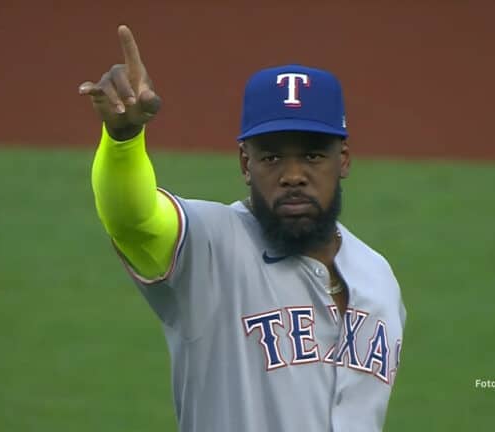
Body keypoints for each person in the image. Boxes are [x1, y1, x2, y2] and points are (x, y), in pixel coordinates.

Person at [79, 25, 406, 432]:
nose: (293, 175)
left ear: (343, 160)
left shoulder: (379, 279)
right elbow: (134, 217)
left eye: (312, 155)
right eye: (271, 158)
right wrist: (123, 138)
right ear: (244, 164)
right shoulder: (208, 247)